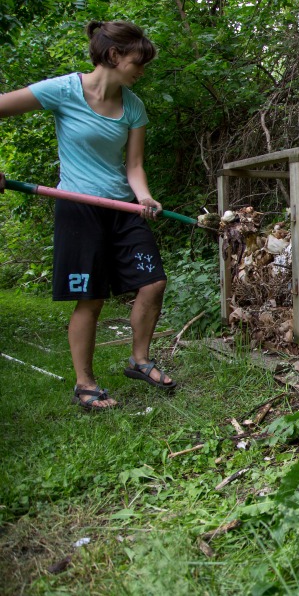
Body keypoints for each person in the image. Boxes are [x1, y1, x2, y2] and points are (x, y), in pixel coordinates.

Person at [0, 20, 176, 410]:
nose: (142, 71)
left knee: (153, 283)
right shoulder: (63, 90)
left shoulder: (134, 106)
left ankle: (139, 360)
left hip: (123, 208)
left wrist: (145, 197)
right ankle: (85, 383)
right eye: (138, 62)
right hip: (79, 208)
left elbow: (133, 165)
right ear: (114, 56)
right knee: (90, 298)